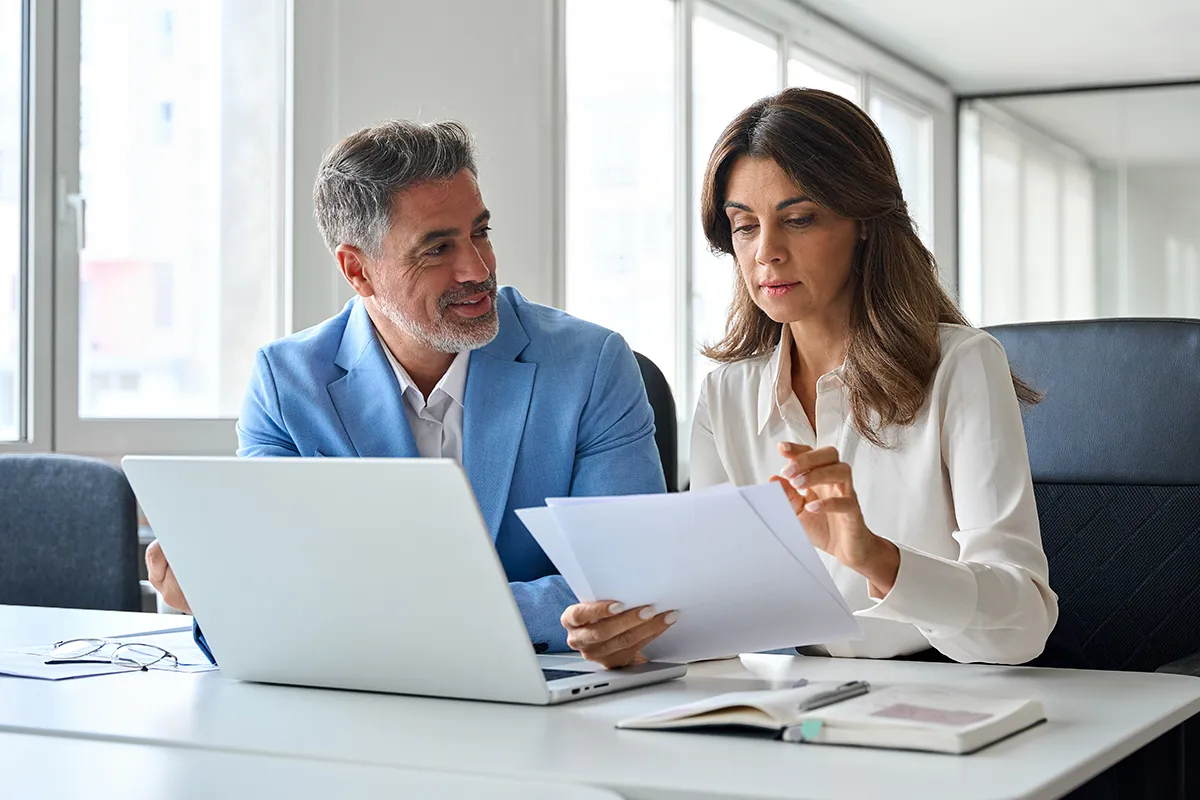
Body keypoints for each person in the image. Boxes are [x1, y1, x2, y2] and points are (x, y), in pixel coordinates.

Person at [563, 88, 1058, 668]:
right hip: (793, 694)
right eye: (744, 227)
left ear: (865, 223)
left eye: (797, 220)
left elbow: (1023, 625)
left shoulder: (962, 364)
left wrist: (876, 559)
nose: (766, 252)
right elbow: (720, 614)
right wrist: (631, 632)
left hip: (939, 688)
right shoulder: (726, 394)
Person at [146, 119, 673, 658]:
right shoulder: (288, 385)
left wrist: (379, 615)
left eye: (480, 233)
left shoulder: (589, 365)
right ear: (358, 270)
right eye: (437, 248)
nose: (477, 267)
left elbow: (628, 579)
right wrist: (212, 595)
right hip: (363, 708)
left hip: (556, 701)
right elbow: (270, 600)